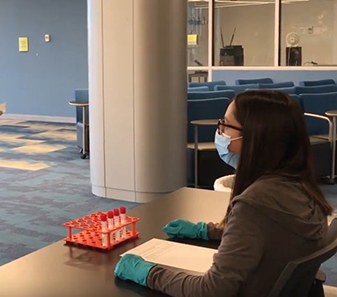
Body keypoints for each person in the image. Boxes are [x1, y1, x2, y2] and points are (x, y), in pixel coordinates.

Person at [114, 90, 333, 297]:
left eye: (226, 125)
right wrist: (207, 231)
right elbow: (265, 234)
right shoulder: (300, 187)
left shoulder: (254, 204)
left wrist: (149, 273)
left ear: (255, 138)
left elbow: (211, 291)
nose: (220, 131)